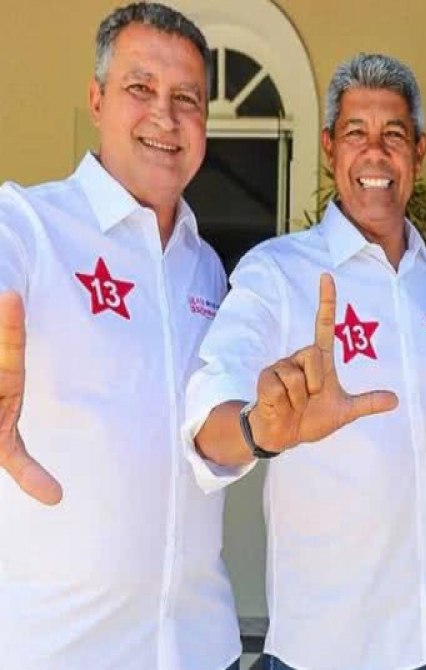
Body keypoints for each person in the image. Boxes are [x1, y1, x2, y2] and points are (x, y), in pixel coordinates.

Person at [183, 53, 426, 670]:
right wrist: (259, 429)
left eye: (393, 134)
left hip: (422, 644)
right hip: (320, 650)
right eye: (356, 132)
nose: (375, 153)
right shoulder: (278, 273)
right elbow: (207, 411)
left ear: (418, 151)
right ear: (331, 147)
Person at [0, 3, 241, 669]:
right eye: (141, 88)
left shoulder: (206, 267)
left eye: (187, 98)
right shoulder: (30, 222)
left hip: (201, 647)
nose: (165, 115)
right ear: (97, 98)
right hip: (62, 650)